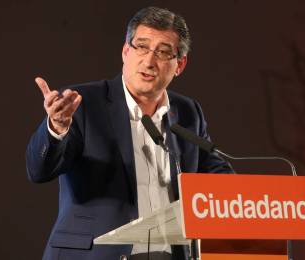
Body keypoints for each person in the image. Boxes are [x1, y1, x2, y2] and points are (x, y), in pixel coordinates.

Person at [26, 6, 233, 260]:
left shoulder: (187, 112)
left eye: (163, 52)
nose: (149, 61)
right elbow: (39, 170)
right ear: (125, 52)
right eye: (142, 47)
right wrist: (56, 128)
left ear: (179, 65)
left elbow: (220, 180)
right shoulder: (82, 103)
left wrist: (256, 203)